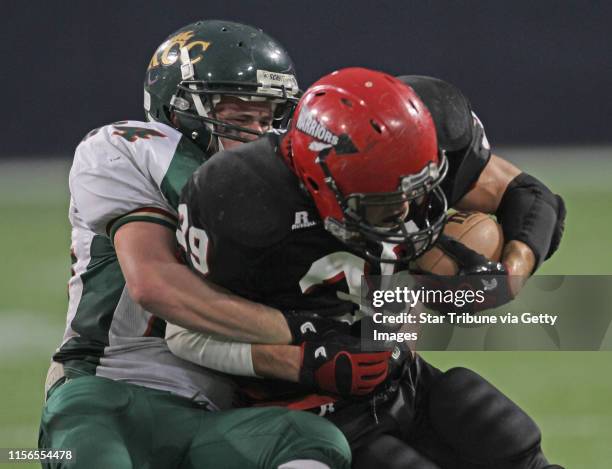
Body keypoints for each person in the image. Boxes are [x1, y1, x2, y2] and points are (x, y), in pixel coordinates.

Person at [171, 67, 566, 469]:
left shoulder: (417, 133)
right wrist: (304, 360)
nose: (405, 214)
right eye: (383, 202)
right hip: (308, 408)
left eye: (418, 192)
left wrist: (510, 274)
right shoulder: (241, 203)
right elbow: (184, 334)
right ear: (321, 183)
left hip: (402, 376)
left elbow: (531, 197)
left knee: (504, 436)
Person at [38, 20, 352, 469]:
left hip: (213, 412)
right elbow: (155, 286)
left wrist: (425, 313)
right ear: (177, 111)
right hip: (105, 390)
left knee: (319, 442)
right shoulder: (125, 148)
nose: (258, 137)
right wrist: (304, 333)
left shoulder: (287, 193)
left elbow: (401, 287)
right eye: (238, 118)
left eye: (267, 119)